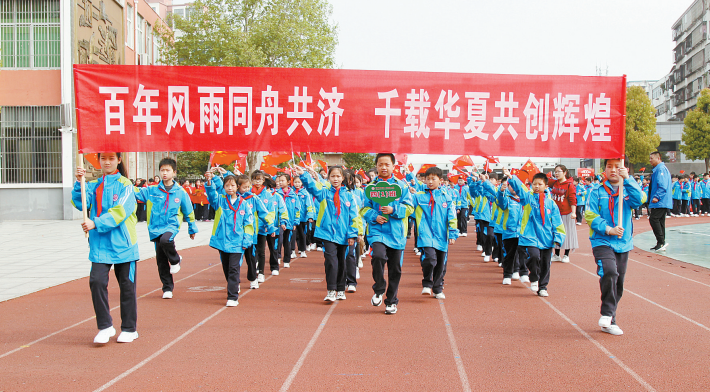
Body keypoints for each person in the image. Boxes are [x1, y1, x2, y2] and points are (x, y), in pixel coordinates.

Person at [72, 152, 139, 344]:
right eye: (103, 159)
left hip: (124, 244)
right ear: (99, 160)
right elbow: (80, 203)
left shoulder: (126, 185)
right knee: (97, 282)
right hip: (100, 244)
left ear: (119, 160)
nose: (107, 162)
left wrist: (96, 223)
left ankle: (129, 328)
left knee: (127, 286)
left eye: (111, 158)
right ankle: (105, 326)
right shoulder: (94, 185)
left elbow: (121, 212)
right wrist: (79, 183)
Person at [585, 158, 646, 335]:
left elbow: (639, 200)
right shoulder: (596, 191)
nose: (613, 170)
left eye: (617, 166)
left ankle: (610, 319)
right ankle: (607, 314)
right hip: (602, 240)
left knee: (618, 283)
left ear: (623, 168)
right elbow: (590, 214)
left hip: (623, 242)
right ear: (604, 169)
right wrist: (608, 229)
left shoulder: (628, 188)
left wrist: (628, 180)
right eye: (609, 166)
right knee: (609, 271)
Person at [295, 165, 362, 301]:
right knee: (331, 261)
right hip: (327, 233)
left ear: (343, 178)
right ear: (329, 178)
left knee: (342, 262)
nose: (335, 179)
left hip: (344, 235)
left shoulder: (349, 196)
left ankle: (341, 289)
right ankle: (331, 290)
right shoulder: (324, 193)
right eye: (333, 176)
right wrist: (304, 175)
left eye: (338, 176)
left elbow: (354, 217)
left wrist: (353, 234)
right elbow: (312, 187)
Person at [134, 158, 198, 299]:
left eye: (167, 170)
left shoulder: (180, 192)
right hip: (155, 227)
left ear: (174, 172)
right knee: (161, 260)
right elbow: (136, 193)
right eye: (162, 170)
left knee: (165, 240)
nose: (164, 173)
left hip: (171, 225)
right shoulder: (152, 190)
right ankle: (167, 288)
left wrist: (192, 228)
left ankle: (175, 259)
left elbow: (188, 210)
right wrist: (125, 185)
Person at [360, 153, 414, 315]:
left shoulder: (401, 186)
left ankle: (391, 301)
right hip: (377, 230)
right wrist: (374, 216)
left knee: (395, 269)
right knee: (377, 256)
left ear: (393, 166)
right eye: (380, 164)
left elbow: (410, 208)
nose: (384, 167)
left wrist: (394, 210)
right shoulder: (370, 187)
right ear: (376, 166)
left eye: (387, 164)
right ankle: (379, 287)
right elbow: (363, 208)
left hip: (396, 233)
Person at [505, 169, 565, 297]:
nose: (537, 187)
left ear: (546, 186)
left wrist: (559, 237)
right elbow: (520, 189)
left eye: (540, 184)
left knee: (545, 263)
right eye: (534, 184)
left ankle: (543, 287)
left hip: (547, 238)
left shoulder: (551, 204)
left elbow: (557, 222)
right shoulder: (528, 198)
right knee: (533, 256)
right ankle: (534, 277)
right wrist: (512, 177)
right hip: (530, 236)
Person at [203, 171, 254, 307]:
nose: (230, 188)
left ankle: (232, 296)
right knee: (226, 268)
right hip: (222, 241)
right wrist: (209, 182)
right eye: (227, 186)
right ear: (224, 187)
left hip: (237, 242)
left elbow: (249, 224)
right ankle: (234, 284)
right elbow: (211, 196)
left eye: (232, 185)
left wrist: (247, 240)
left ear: (237, 187)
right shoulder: (220, 201)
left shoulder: (244, 204)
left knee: (234, 268)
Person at [410, 166, 458, 299]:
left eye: (433, 179)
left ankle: (438, 288)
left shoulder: (446, 198)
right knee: (430, 259)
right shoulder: (418, 197)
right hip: (425, 234)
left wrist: (453, 234)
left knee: (441, 262)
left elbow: (452, 217)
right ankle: (427, 283)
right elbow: (409, 209)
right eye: (428, 179)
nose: (430, 181)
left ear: (440, 180)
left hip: (441, 235)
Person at [496, 176, 525, 285]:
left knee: (522, 253)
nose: (513, 188)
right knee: (509, 254)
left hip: (522, 232)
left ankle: (521, 272)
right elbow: (501, 202)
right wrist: (501, 192)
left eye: (515, 186)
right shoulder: (507, 198)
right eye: (510, 185)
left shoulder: (525, 199)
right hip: (509, 231)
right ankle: (507, 274)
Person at [549, 165, 578, 263]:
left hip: (567, 213)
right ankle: (556, 254)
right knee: (556, 232)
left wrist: (573, 213)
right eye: (555, 172)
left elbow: (572, 199)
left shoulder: (570, 185)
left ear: (565, 172)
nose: (556, 173)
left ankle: (566, 254)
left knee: (567, 233)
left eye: (558, 171)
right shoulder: (554, 183)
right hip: (556, 213)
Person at [275, 173, 301, 268]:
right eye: (279, 181)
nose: (280, 183)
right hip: (279, 222)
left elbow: (297, 210)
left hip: (290, 222)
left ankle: (286, 259)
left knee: (287, 241)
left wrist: (295, 222)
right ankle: (277, 256)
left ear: (288, 182)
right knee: (279, 240)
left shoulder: (294, 195)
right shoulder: (276, 194)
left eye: (282, 180)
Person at [648, 151, 672, 251]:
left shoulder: (661, 169)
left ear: (658, 158)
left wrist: (657, 196)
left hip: (660, 201)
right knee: (660, 220)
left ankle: (661, 242)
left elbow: (662, 185)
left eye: (651, 158)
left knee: (654, 219)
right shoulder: (658, 169)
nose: (650, 160)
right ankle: (661, 242)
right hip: (662, 201)